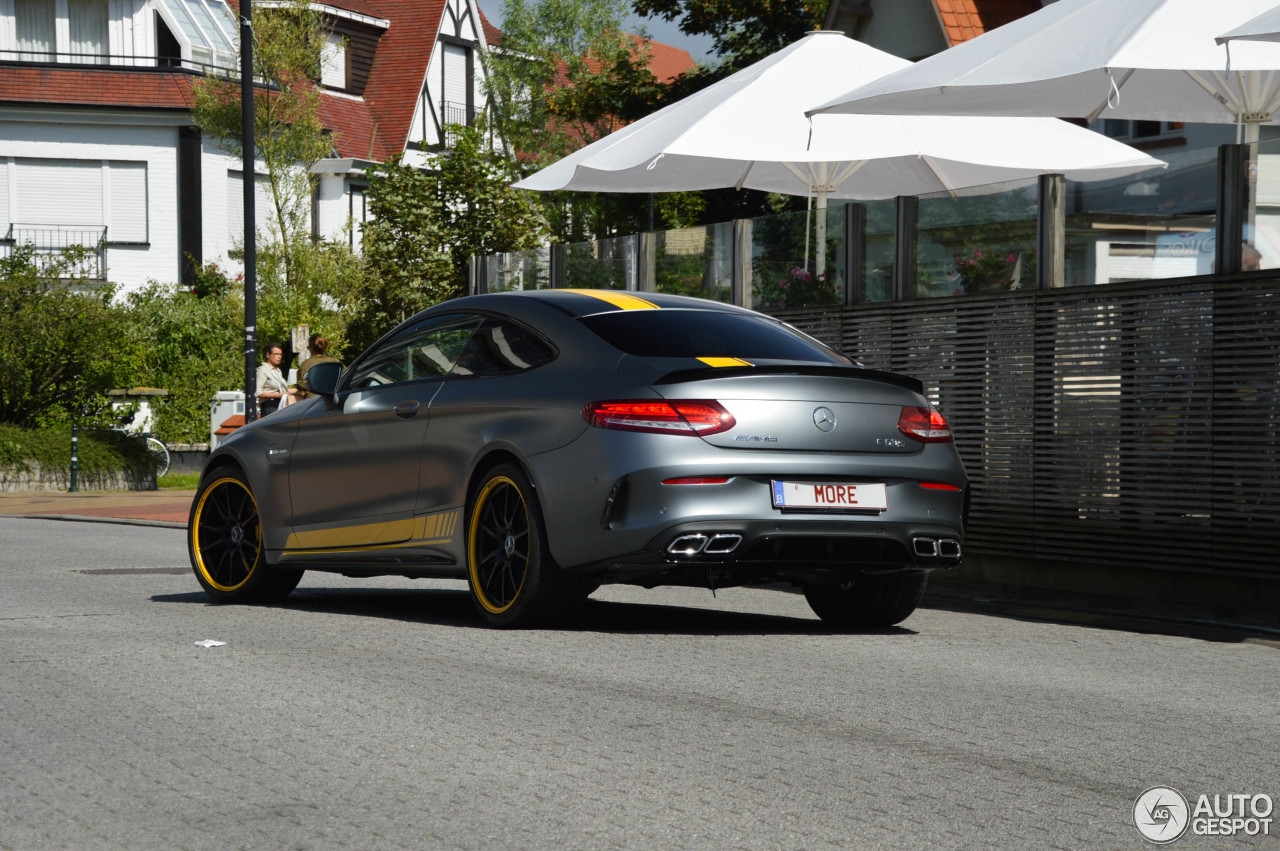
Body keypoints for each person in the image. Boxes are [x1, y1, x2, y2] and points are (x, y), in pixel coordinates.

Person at [296, 334, 341, 399]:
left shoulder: (306, 364)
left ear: (311, 348)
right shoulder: (335, 362)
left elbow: (302, 389)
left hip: (313, 402)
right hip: (333, 399)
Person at [255, 342, 294, 416]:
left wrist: (299, 389)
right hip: (269, 406)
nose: (279, 357)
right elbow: (258, 392)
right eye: (276, 354)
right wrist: (278, 395)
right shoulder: (262, 370)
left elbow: (283, 390)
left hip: (281, 405)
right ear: (268, 355)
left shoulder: (277, 371)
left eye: (280, 354)